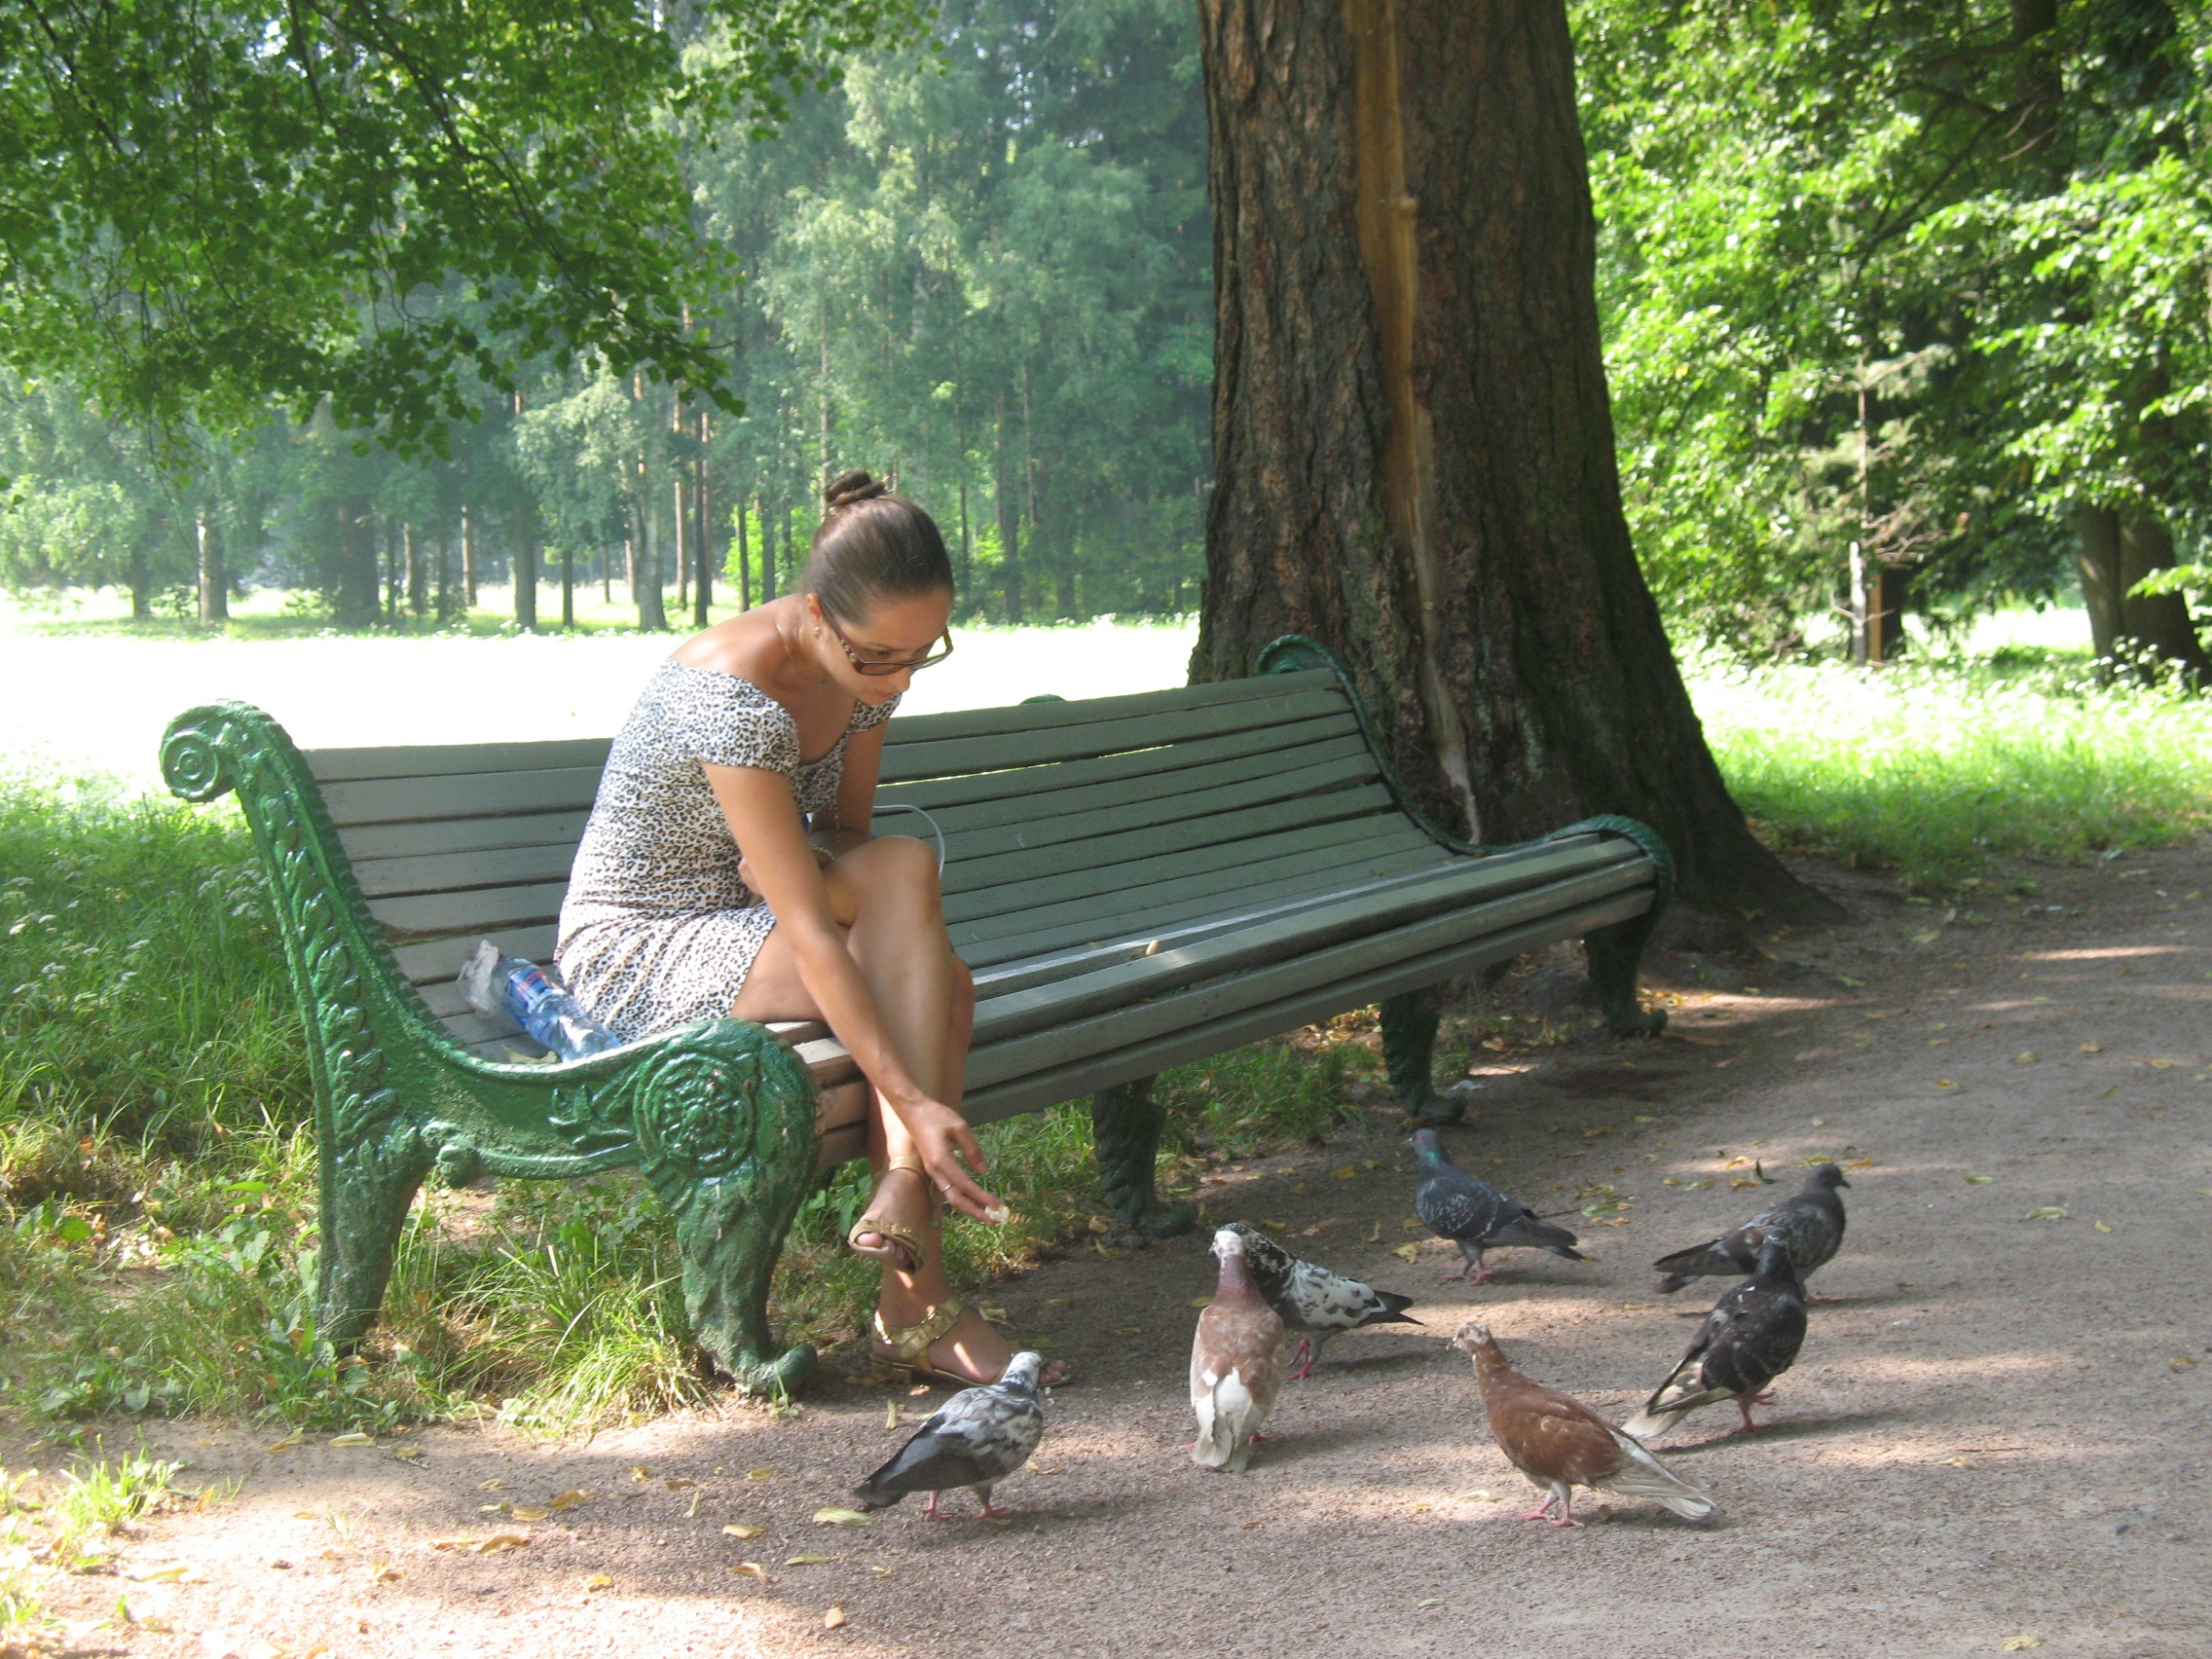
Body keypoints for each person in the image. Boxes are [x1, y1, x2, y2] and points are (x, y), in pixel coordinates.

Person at [557, 470, 1055, 1385]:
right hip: (647, 942)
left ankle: (905, 1236)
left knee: (904, 865)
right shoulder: (730, 694)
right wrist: (914, 1107)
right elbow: (820, 938)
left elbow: (851, 838)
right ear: (817, 614)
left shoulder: (866, 672)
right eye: (880, 657)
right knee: (943, 990)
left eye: (923, 654)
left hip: (760, 914)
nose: (897, 680)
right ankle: (916, 1300)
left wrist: (806, 864)